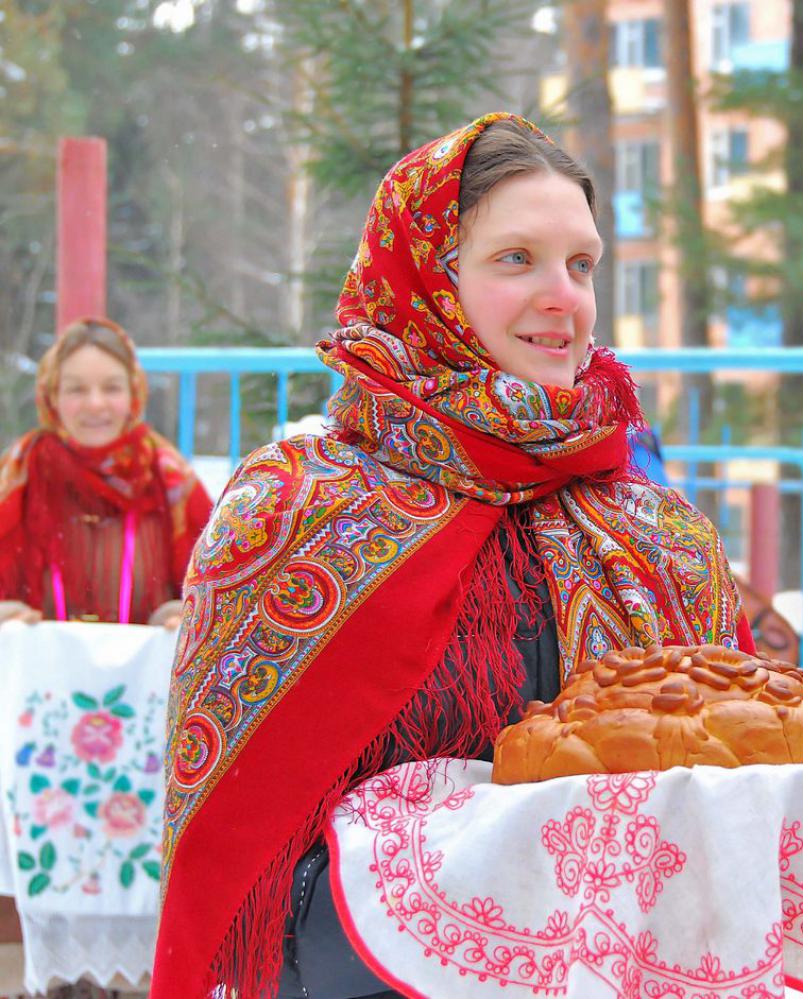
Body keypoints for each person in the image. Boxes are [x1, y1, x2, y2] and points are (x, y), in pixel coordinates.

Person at [153, 112, 755, 999]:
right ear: (427, 281)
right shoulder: (297, 509)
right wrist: (466, 908)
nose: (564, 295)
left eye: (581, 264)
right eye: (517, 259)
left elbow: (731, 790)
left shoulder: (657, 531)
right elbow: (243, 874)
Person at [0, 317, 213, 628]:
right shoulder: (17, 478)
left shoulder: (171, 480)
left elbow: (218, 591)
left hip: (143, 675)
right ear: (52, 397)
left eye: (111, 387)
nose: (95, 404)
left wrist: (182, 612)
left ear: (133, 393)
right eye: (76, 389)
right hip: (36, 674)